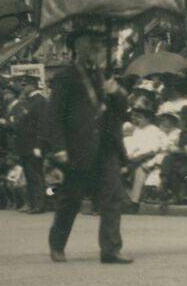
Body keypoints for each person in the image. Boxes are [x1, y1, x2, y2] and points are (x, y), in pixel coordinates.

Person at [46, 28, 133, 264]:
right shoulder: (65, 77)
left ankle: (110, 249)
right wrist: (59, 148)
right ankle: (57, 245)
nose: (95, 47)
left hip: (106, 147)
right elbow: (54, 116)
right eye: (89, 43)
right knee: (70, 200)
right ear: (76, 47)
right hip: (78, 147)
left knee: (112, 198)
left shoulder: (104, 75)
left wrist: (115, 92)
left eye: (98, 43)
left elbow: (122, 109)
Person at [13, 80, 50, 213]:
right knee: (29, 176)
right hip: (25, 145)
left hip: (34, 145)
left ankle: (40, 204)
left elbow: (42, 124)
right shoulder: (28, 101)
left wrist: (39, 145)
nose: (23, 87)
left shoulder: (40, 101)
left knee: (36, 175)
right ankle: (32, 203)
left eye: (25, 84)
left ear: (32, 86)